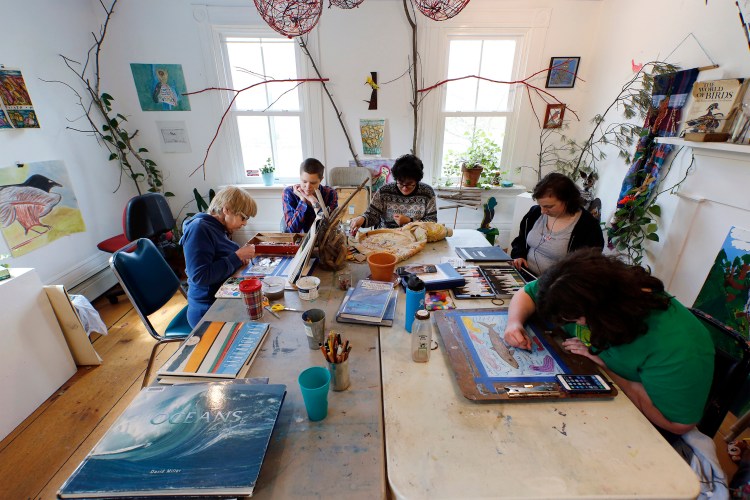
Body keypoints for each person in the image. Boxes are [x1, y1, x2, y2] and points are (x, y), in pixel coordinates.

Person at [503, 249, 714, 440]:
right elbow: (528, 293)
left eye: (575, 319)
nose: (573, 324)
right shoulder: (576, 283)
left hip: (642, 428)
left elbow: (678, 425)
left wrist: (604, 365)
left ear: (603, 312)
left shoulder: (674, 346)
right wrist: (514, 323)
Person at [180, 186, 258, 328]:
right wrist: (236, 256)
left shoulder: (217, 228)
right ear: (226, 209)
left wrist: (237, 259)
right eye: (243, 217)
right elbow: (200, 277)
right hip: (208, 309)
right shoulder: (199, 229)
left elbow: (219, 258)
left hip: (221, 297)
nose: (245, 223)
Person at [510, 172, 603, 276]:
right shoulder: (534, 213)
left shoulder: (588, 226)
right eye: (540, 205)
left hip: (556, 288)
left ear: (567, 200)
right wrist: (519, 255)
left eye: (549, 207)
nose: (543, 211)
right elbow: (520, 240)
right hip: (525, 274)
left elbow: (586, 269)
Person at [349, 153, 437, 234]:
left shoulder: (427, 192)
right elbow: (372, 215)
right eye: (401, 183)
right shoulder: (384, 191)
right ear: (396, 179)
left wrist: (409, 221)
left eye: (410, 184)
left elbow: (432, 223)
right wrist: (362, 219)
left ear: (417, 180)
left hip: (415, 236)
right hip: (386, 236)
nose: (405, 188)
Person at [282, 158, 338, 233]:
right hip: (299, 240)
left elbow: (328, 228)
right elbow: (292, 230)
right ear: (300, 177)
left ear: (321, 180)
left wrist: (313, 200)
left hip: (321, 240)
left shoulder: (331, 193)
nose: (308, 187)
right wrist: (302, 200)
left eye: (313, 183)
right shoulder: (289, 193)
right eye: (304, 181)